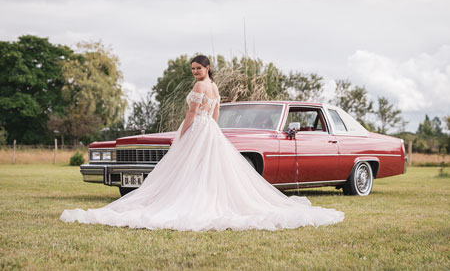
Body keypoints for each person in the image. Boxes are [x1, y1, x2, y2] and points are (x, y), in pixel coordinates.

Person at [60, 55, 344, 231]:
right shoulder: (215, 87)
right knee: (211, 168)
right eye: (193, 69)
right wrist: (210, 127)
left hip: (198, 128)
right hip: (212, 130)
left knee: (187, 166)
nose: (194, 72)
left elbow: (191, 114)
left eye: (198, 68)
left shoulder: (198, 87)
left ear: (207, 67)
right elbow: (216, 113)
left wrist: (181, 134)